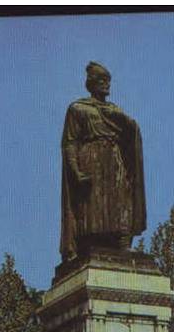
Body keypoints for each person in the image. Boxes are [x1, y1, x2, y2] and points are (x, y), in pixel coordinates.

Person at [60, 62, 146, 260]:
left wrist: (128, 122)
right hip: (91, 159)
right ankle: (90, 243)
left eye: (108, 81)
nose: (106, 85)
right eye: (101, 81)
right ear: (91, 84)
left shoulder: (115, 110)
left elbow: (131, 136)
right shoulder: (78, 108)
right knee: (93, 203)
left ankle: (122, 242)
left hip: (115, 160)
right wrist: (75, 170)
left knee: (120, 200)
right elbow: (70, 142)